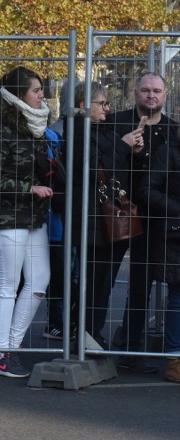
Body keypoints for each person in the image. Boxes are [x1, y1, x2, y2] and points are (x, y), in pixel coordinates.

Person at [50, 82, 141, 349]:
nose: (108, 108)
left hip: (102, 219)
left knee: (101, 283)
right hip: (91, 220)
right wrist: (124, 146)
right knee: (93, 282)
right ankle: (86, 336)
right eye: (102, 104)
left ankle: (90, 334)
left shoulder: (100, 129)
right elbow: (92, 169)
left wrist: (130, 149)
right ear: (83, 106)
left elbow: (114, 162)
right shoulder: (78, 132)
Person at [0, 66, 54, 378]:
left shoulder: (34, 126)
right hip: (6, 217)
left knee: (39, 280)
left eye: (41, 90)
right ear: (18, 94)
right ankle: (1, 353)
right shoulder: (0, 128)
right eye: (36, 90)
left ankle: (12, 345)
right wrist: (29, 188)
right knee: (7, 285)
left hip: (34, 216)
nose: (42, 95)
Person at [110, 73, 179, 372]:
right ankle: (123, 346)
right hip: (117, 213)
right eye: (145, 91)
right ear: (135, 93)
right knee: (114, 280)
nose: (151, 96)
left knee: (147, 283)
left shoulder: (173, 131)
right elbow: (105, 162)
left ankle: (136, 347)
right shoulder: (118, 123)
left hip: (160, 221)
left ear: (165, 95)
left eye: (157, 91)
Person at [137, 116, 180, 383]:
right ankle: (175, 359)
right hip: (176, 233)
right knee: (178, 296)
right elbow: (146, 189)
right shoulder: (169, 151)